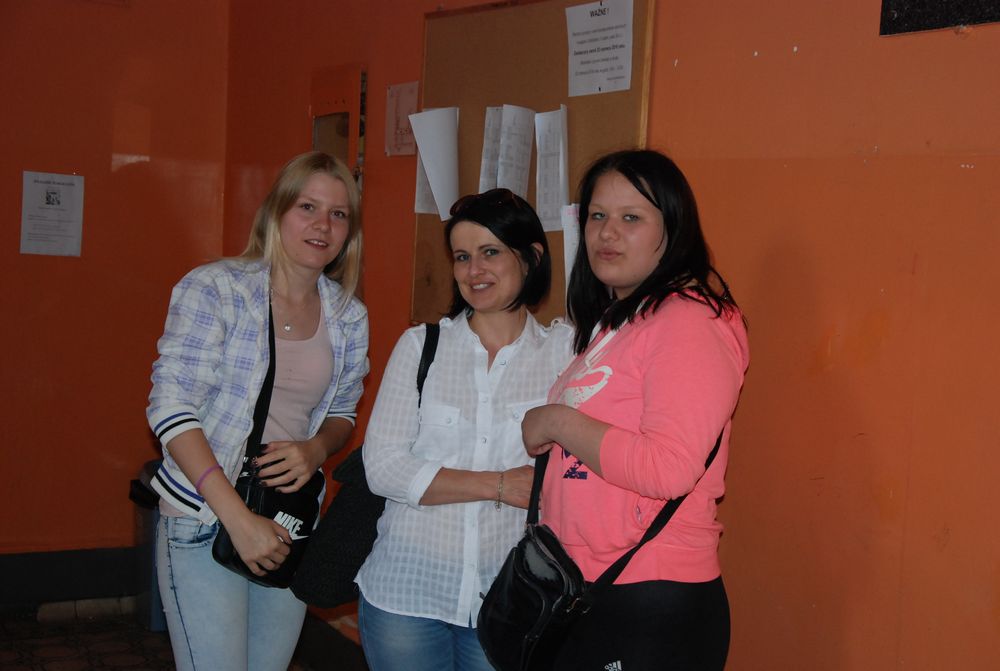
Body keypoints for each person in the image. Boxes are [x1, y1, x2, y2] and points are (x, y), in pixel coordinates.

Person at [521, 149, 750, 670]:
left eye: (631, 218)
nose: (607, 233)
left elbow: (668, 468)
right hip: (586, 585)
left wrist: (556, 420)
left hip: (648, 593)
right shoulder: (621, 320)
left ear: (673, 230)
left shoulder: (688, 322)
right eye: (597, 215)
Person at [146, 151, 369, 671]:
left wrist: (316, 449)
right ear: (276, 212)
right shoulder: (215, 289)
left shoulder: (348, 315)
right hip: (205, 515)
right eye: (308, 206)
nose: (323, 225)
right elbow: (170, 407)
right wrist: (238, 519)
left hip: (286, 519)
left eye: (338, 214)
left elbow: (343, 413)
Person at [355, 189, 574, 671]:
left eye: (490, 252)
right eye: (462, 257)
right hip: (407, 593)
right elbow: (384, 468)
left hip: (511, 600)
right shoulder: (421, 346)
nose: (474, 270)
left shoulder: (564, 353)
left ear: (531, 257)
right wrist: (500, 485)